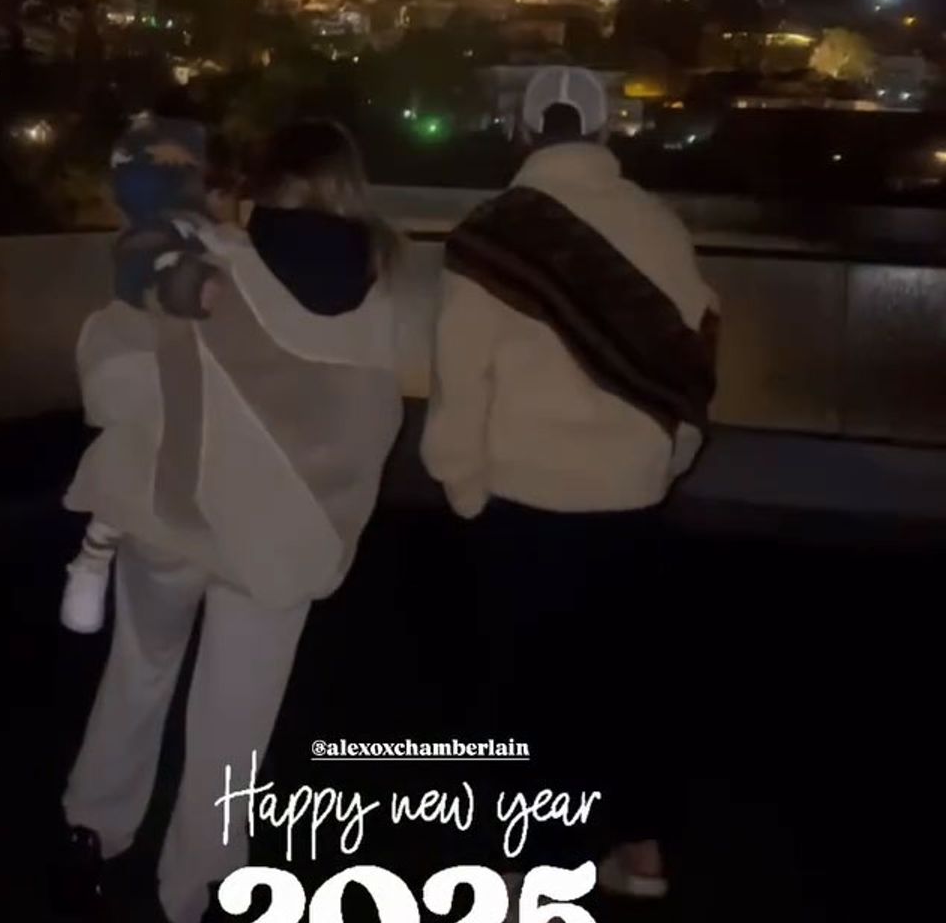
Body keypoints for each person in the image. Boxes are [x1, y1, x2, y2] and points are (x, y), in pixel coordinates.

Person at [58, 118, 403, 923]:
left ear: (256, 184)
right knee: (236, 717)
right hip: (285, 541)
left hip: (175, 512)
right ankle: (199, 887)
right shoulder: (378, 291)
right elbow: (369, 424)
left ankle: (94, 830)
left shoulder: (202, 264)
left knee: (140, 670)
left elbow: (113, 375)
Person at [420, 65, 719, 900]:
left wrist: (463, 486)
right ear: (602, 132)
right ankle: (643, 855)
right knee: (630, 680)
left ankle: (548, 865)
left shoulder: (492, 232)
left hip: (524, 497)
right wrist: (672, 455)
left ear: (521, 133)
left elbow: (458, 374)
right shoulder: (659, 225)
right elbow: (697, 354)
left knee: (525, 686)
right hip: (631, 494)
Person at [60, 113, 238, 634]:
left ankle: (95, 556)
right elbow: (151, 269)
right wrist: (191, 286)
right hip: (147, 359)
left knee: (151, 447)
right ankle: (93, 557)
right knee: (140, 444)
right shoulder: (157, 235)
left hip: (175, 363)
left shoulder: (193, 230)